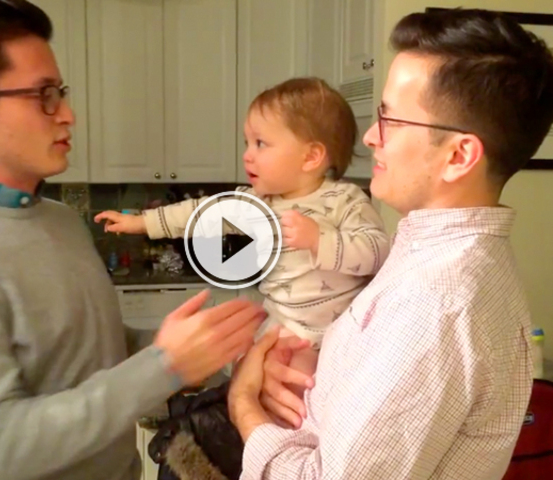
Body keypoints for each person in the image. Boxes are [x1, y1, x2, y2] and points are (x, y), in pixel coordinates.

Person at [0, 1, 265, 480]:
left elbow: (91, 351)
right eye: (44, 95)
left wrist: (201, 351)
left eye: (60, 92)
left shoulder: (57, 219)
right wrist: (165, 365)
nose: (68, 114)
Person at [227, 7, 553, 480]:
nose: (370, 136)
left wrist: (243, 403)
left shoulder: (435, 302)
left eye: (391, 120)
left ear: (458, 155)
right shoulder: (430, 260)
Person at [95, 77, 390, 384]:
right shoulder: (257, 202)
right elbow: (199, 213)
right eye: (246, 143)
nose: (247, 155)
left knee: (297, 387)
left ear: (311, 156)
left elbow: (377, 252)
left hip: (337, 337)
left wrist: (320, 241)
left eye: (261, 143)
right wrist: (143, 222)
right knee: (242, 370)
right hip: (280, 329)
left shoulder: (345, 199)